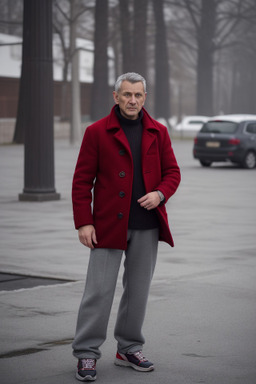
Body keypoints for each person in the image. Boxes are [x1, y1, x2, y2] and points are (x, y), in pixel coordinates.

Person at [72, 72, 181, 381]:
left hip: (146, 226)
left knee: (138, 292)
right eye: (127, 94)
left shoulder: (158, 132)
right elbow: (82, 182)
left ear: (144, 98)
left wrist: (160, 194)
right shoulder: (96, 132)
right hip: (107, 227)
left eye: (138, 95)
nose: (132, 100)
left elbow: (173, 172)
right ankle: (86, 353)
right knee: (98, 292)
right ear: (115, 96)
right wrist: (84, 222)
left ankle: (128, 349)